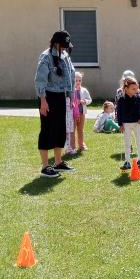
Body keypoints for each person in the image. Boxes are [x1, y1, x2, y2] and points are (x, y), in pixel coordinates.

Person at [34, 30, 76, 178]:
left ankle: (58, 163)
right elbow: (40, 80)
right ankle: (45, 166)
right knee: (47, 129)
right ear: (56, 43)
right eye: (63, 45)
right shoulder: (45, 57)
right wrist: (43, 101)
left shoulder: (65, 55)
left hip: (61, 96)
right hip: (47, 96)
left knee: (60, 129)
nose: (65, 48)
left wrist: (71, 94)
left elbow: (71, 74)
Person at [116, 76, 140, 171]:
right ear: (126, 89)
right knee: (127, 143)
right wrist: (120, 124)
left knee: (139, 141)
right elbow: (119, 112)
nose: (136, 90)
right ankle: (127, 162)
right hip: (126, 124)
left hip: (137, 123)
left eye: (136, 88)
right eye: (133, 89)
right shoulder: (121, 99)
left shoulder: (138, 98)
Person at [66, 72, 92, 152]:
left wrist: (85, 101)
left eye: (79, 80)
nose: (78, 82)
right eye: (76, 80)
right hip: (72, 114)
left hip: (81, 113)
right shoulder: (70, 90)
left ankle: (81, 145)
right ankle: (72, 147)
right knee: (72, 130)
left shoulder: (84, 90)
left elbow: (90, 99)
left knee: (80, 130)